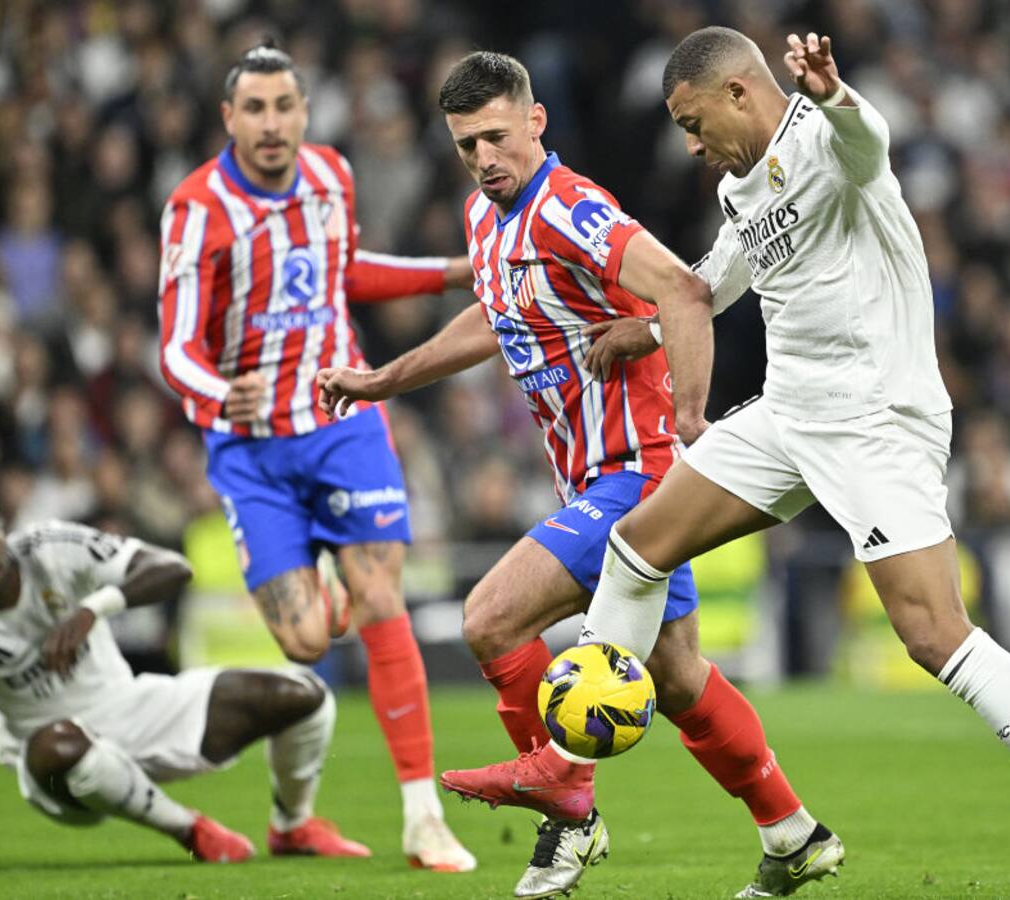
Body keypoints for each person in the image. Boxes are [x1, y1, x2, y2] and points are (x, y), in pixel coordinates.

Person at [453, 27, 1010, 900]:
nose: (690, 145)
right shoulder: (739, 186)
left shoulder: (832, 143)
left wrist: (834, 95)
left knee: (932, 635)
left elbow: (867, 141)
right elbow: (718, 277)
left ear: (738, 93)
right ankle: (568, 773)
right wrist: (647, 327)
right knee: (637, 546)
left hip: (875, 420)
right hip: (789, 414)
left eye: (693, 123)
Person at [318, 51, 842, 899]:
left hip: (637, 473)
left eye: (497, 136)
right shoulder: (485, 217)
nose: (485, 158)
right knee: (678, 679)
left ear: (536, 121)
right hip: (593, 477)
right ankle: (793, 832)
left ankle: (569, 814)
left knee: (491, 619)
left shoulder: (569, 207)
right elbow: (494, 315)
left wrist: (691, 422)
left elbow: (682, 289)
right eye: (466, 145)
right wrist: (385, 378)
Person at [156, 41, 475, 872]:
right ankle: (293, 817)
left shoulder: (332, 175)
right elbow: (176, 345)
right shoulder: (197, 208)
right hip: (251, 447)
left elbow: (342, 271)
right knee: (303, 642)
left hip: (341, 417)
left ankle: (423, 818)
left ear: (305, 112)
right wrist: (220, 395)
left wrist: (449, 273)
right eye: (254, 109)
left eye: (284, 107)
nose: (271, 124)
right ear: (229, 118)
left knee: (382, 599)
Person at [0, 474, 369, 862]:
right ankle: (190, 831)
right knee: (57, 744)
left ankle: (292, 826)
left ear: (1, 529)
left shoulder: (52, 546)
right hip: (53, 767)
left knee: (304, 695)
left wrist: (92, 609)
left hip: (133, 709)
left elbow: (173, 568)